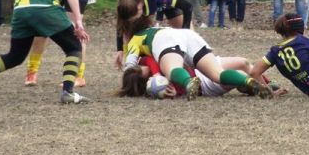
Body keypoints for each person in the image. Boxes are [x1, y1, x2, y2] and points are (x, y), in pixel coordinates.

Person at [119, 12, 273, 101]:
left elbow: (132, 63)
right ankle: (248, 80)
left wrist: (148, 72)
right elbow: (141, 64)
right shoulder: (155, 29)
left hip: (167, 43)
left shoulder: (140, 48)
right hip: (185, 35)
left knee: (172, 68)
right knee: (218, 74)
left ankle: (188, 82)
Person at [113, 0, 193, 68]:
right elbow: (122, 23)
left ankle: (195, 62)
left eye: (134, 18)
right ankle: (137, 65)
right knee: (136, 35)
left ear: (139, 7)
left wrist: (186, 32)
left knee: (186, 37)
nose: (133, 21)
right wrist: (120, 49)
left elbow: (188, 7)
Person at [119, 54, 287, 98]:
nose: (144, 66)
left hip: (199, 66)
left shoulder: (148, 63)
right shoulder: (159, 87)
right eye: (143, 71)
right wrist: (172, 94)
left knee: (244, 62)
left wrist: (154, 72)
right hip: (205, 84)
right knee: (241, 75)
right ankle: (264, 91)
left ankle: (265, 83)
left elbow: (149, 59)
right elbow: (185, 89)